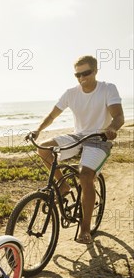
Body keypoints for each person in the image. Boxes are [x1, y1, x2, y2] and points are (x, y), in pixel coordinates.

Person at [30, 55, 124, 244]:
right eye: (77, 75)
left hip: (99, 139)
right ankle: (64, 187)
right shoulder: (71, 93)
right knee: (44, 150)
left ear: (95, 71)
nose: (82, 78)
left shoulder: (107, 88)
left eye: (86, 73)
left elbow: (119, 116)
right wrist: (37, 130)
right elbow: (52, 115)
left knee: (85, 176)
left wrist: (112, 128)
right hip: (78, 136)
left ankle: (85, 228)